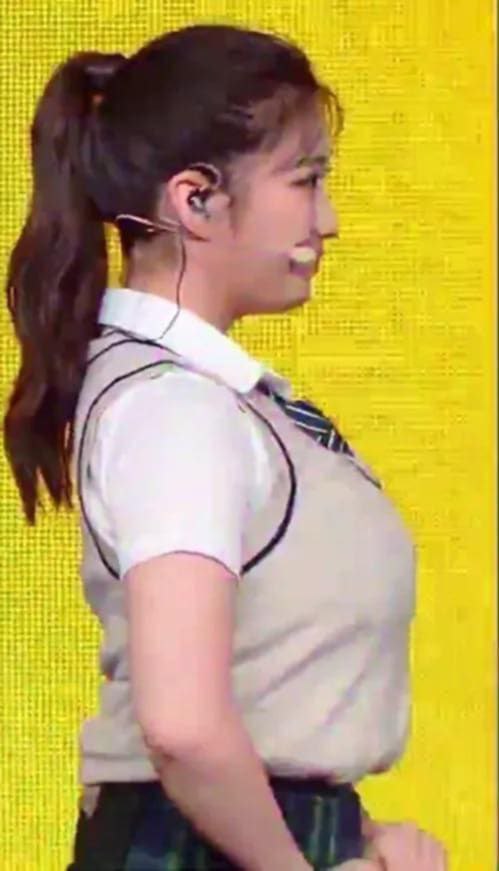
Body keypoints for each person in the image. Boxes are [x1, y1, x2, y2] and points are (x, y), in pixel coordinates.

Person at [2, 23, 447, 871]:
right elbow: (182, 725)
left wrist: (350, 833)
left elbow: (261, 695)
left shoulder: (208, 400)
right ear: (195, 199)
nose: (328, 220)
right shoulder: (175, 409)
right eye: (305, 180)